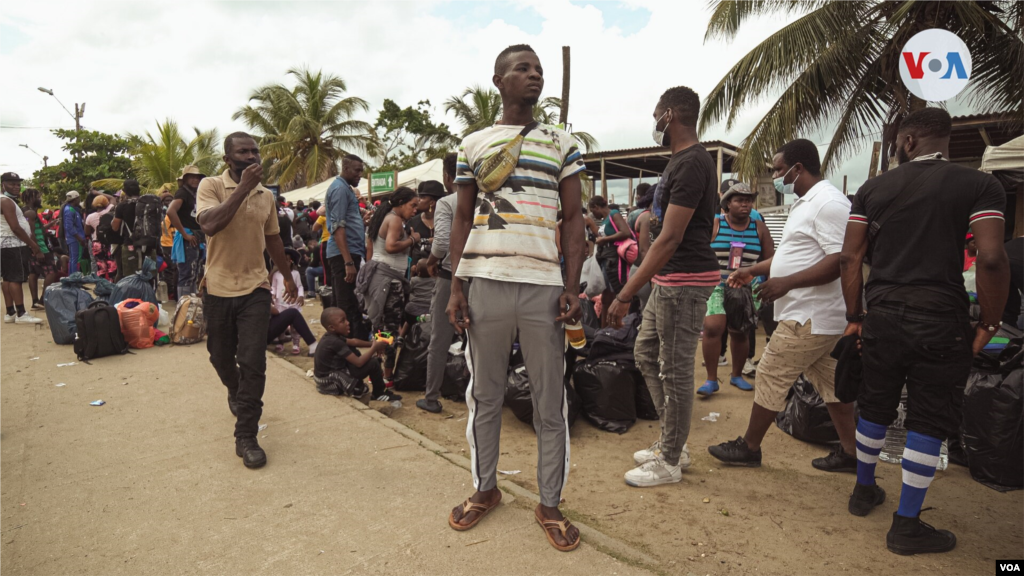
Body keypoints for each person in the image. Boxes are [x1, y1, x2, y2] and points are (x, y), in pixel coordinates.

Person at [840, 108, 1009, 555]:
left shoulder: (872, 189)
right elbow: (991, 258)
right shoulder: (980, 185)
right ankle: (907, 525)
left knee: (874, 404)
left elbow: (849, 259)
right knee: (928, 418)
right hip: (941, 319)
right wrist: (990, 322)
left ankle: (863, 490)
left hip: (882, 317)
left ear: (909, 141)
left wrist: (856, 315)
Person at [446, 44, 586, 551]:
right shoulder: (473, 143)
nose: (534, 76)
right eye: (522, 69)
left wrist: (571, 286)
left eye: (539, 70)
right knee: (485, 396)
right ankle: (486, 490)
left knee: (551, 400)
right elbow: (462, 218)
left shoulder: (562, 144)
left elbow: (573, 220)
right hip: (485, 281)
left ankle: (549, 503)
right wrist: (457, 285)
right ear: (498, 81)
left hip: (544, 287)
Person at [707, 140, 857, 476]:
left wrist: (786, 283)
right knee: (832, 388)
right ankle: (851, 452)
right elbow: (791, 255)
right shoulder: (805, 204)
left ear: (798, 168)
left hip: (810, 316)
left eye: (777, 170)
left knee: (770, 373)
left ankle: (749, 447)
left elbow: (841, 261)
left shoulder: (829, 203)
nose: (775, 177)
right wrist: (752, 271)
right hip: (811, 314)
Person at [605, 86, 720, 488]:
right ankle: (674, 441)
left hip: (684, 281)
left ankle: (670, 459)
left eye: (657, 114)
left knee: (674, 370)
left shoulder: (691, 163)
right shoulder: (679, 162)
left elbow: (670, 238)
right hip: (669, 279)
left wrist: (624, 294)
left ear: (669, 114)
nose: (654, 122)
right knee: (646, 352)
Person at [196, 131, 298, 470]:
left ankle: (247, 435)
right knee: (220, 356)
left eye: (255, 151)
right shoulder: (210, 186)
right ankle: (235, 388)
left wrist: (285, 277)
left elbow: (273, 241)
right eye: (243, 152)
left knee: (254, 360)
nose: (252, 157)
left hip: (255, 287)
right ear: (228, 159)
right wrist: (242, 188)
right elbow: (211, 224)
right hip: (218, 287)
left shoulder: (266, 196)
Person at [698, 180, 774, 395]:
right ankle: (711, 379)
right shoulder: (716, 224)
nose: (745, 204)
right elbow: (701, 252)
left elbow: (770, 258)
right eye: (739, 200)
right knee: (713, 328)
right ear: (727, 204)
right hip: (717, 285)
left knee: (740, 332)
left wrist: (761, 280)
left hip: (746, 287)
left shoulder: (758, 227)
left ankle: (737, 375)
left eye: (748, 200)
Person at [362, 186, 419, 391]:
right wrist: (413, 239)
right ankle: (386, 375)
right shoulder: (394, 219)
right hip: (389, 281)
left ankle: (375, 371)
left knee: (380, 327)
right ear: (401, 203)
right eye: (413, 205)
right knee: (391, 329)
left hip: (381, 278)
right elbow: (391, 247)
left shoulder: (383, 217)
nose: (415, 210)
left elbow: (373, 247)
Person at [417, 153, 460, 414]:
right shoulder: (486, 201)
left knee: (440, 339)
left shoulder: (448, 203)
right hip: (484, 277)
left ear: (447, 176)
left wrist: (430, 261)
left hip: (450, 276)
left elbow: (442, 243)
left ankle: (431, 397)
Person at [325, 155, 367, 336]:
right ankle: (347, 347)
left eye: (361, 171)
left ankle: (344, 346)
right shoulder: (340, 189)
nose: (359, 174)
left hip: (349, 253)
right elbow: (337, 227)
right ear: (346, 168)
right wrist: (348, 262)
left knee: (346, 301)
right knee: (346, 304)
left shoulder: (346, 189)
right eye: (357, 170)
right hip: (344, 256)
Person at [313, 307, 389, 398]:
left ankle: (358, 386)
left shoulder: (332, 336)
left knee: (353, 351)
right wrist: (374, 348)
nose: (347, 323)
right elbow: (359, 362)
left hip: (322, 378)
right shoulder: (334, 342)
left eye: (346, 319)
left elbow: (354, 341)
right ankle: (378, 394)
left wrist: (373, 343)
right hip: (328, 382)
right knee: (373, 363)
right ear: (332, 327)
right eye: (342, 321)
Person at [1, 173, 45, 324]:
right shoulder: (6, 201)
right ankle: (21, 313)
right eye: (11, 183)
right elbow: (15, 227)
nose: (16, 186)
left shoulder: (7, 201)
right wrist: (33, 245)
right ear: (3, 184)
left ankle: (10, 312)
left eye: (18, 184)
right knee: (16, 279)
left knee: (7, 278)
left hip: (5, 244)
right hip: (14, 244)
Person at [589, 196, 633, 327]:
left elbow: (625, 232)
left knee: (617, 292)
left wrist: (604, 240)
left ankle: (619, 327)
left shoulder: (614, 214)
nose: (593, 214)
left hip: (615, 261)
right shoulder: (604, 221)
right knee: (606, 295)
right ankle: (605, 328)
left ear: (597, 207)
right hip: (606, 260)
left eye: (593, 210)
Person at [167, 165, 206, 298]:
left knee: (194, 273)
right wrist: (185, 234)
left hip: (197, 236)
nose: (195, 180)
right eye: (192, 177)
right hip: (188, 237)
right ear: (185, 179)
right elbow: (170, 211)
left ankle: (190, 305)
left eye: (197, 177)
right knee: (187, 274)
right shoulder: (182, 192)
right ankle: (184, 306)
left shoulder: (196, 193)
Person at [269, 249, 317, 356]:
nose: (283, 263)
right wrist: (272, 294)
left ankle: (296, 343)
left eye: (286, 260)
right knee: (281, 326)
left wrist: (300, 296)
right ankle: (280, 341)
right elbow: (274, 287)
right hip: (279, 304)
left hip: (292, 302)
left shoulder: (295, 274)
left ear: (291, 261)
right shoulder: (276, 275)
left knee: (295, 327)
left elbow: (299, 286)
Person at [20, 188, 59, 309]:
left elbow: (38, 229)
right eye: (38, 196)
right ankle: (42, 300)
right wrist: (37, 250)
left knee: (34, 273)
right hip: (40, 247)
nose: (40, 199)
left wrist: (50, 224)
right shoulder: (30, 213)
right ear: (32, 198)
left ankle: (35, 301)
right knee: (52, 273)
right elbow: (31, 233)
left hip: (33, 247)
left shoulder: (28, 211)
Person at [408, 180, 444, 268]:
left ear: (432, 202)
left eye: (422, 197)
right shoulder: (413, 222)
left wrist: (423, 240)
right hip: (417, 274)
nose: (418, 200)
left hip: (441, 271)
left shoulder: (445, 221)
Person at [112, 179, 143, 279]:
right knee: (148, 275)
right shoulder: (147, 203)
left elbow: (115, 228)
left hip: (130, 243)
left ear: (125, 191)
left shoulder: (122, 206)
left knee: (129, 276)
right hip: (149, 244)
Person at [83, 194, 116, 281]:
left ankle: (101, 284)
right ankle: (112, 284)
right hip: (109, 242)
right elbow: (112, 198)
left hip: (96, 243)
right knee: (111, 264)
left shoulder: (90, 217)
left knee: (101, 265)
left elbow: (87, 232)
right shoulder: (109, 211)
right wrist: (96, 192)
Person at [61, 191, 87, 274]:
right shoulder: (69, 210)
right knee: (76, 260)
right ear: (75, 199)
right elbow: (69, 227)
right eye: (78, 198)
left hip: (74, 239)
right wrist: (80, 239)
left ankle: (72, 278)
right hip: (75, 239)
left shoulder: (72, 209)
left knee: (73, 259)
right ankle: (75, 279)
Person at [160, 193, 178, 300]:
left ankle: (172, 291)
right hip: (167, 244)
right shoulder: (163, 214)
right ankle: (170, 292)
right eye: (167, 200)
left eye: (171, 200)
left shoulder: (175, 213)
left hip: (175, 243)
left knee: (174, 269)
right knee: (169, 269)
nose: (169, 202)